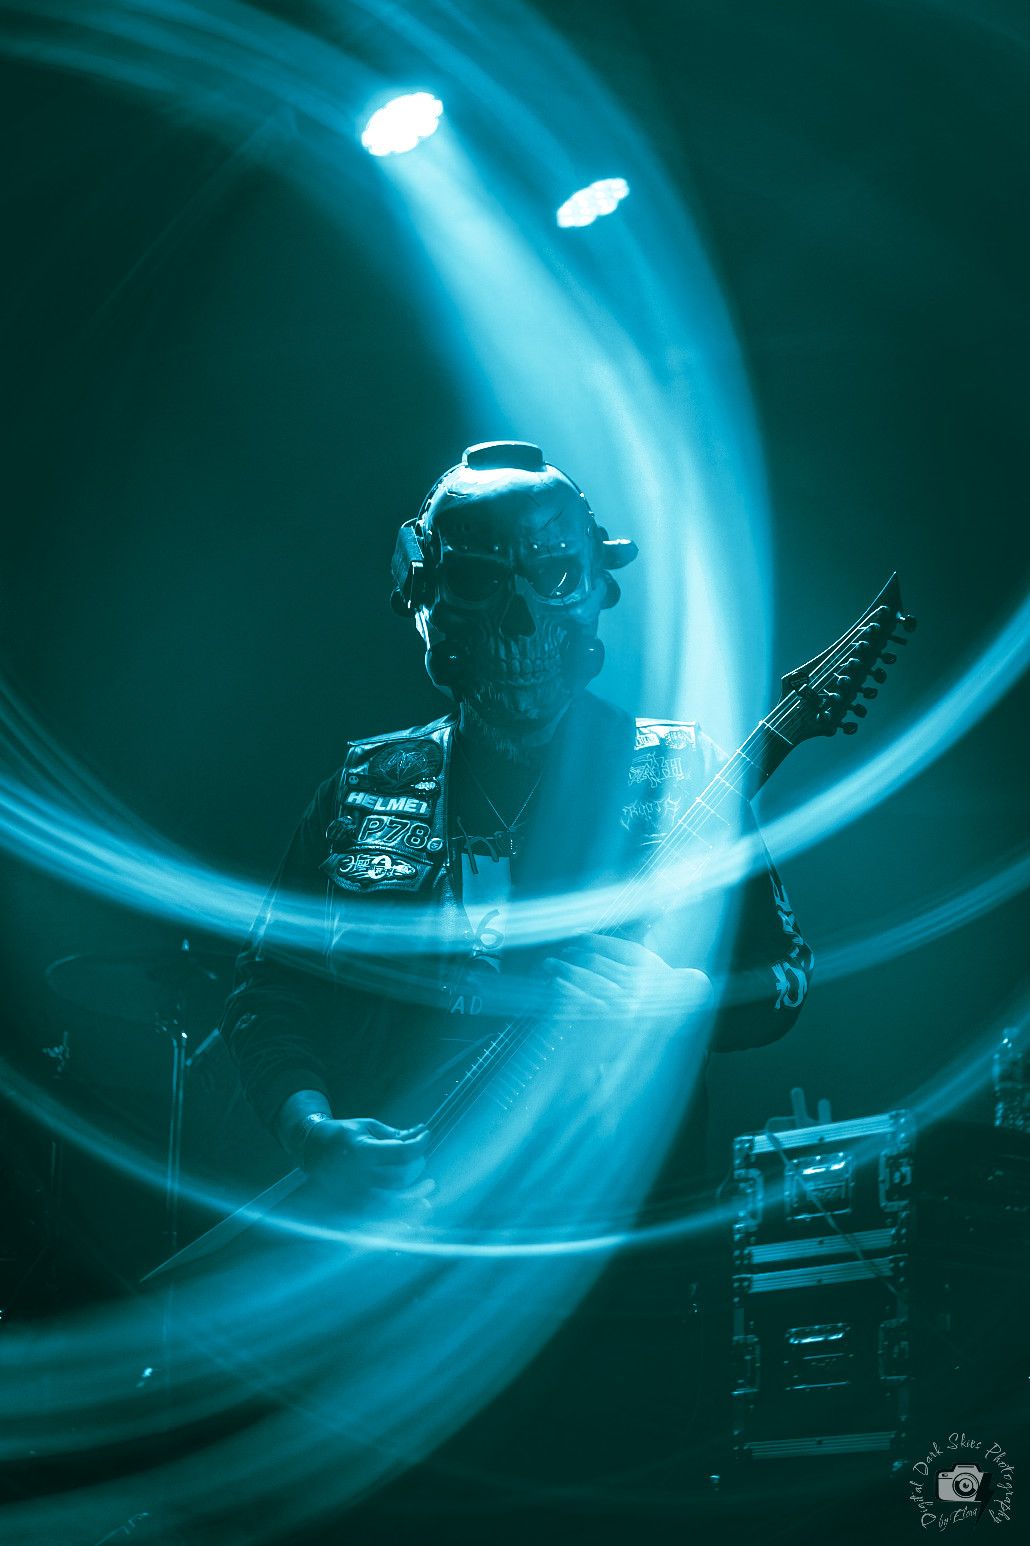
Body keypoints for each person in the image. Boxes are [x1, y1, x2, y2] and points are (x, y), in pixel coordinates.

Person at [221, 440, 811, 1203]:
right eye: (475, 580)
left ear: (598, 587)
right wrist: (312, 1133)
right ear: (423, 597)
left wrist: (685, 999)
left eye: (556, 576)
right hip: (416, 1225)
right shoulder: (360, 790)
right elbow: (266, 992)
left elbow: (786, 972)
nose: (520, 619)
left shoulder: (682, 773)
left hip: (628, 1230)